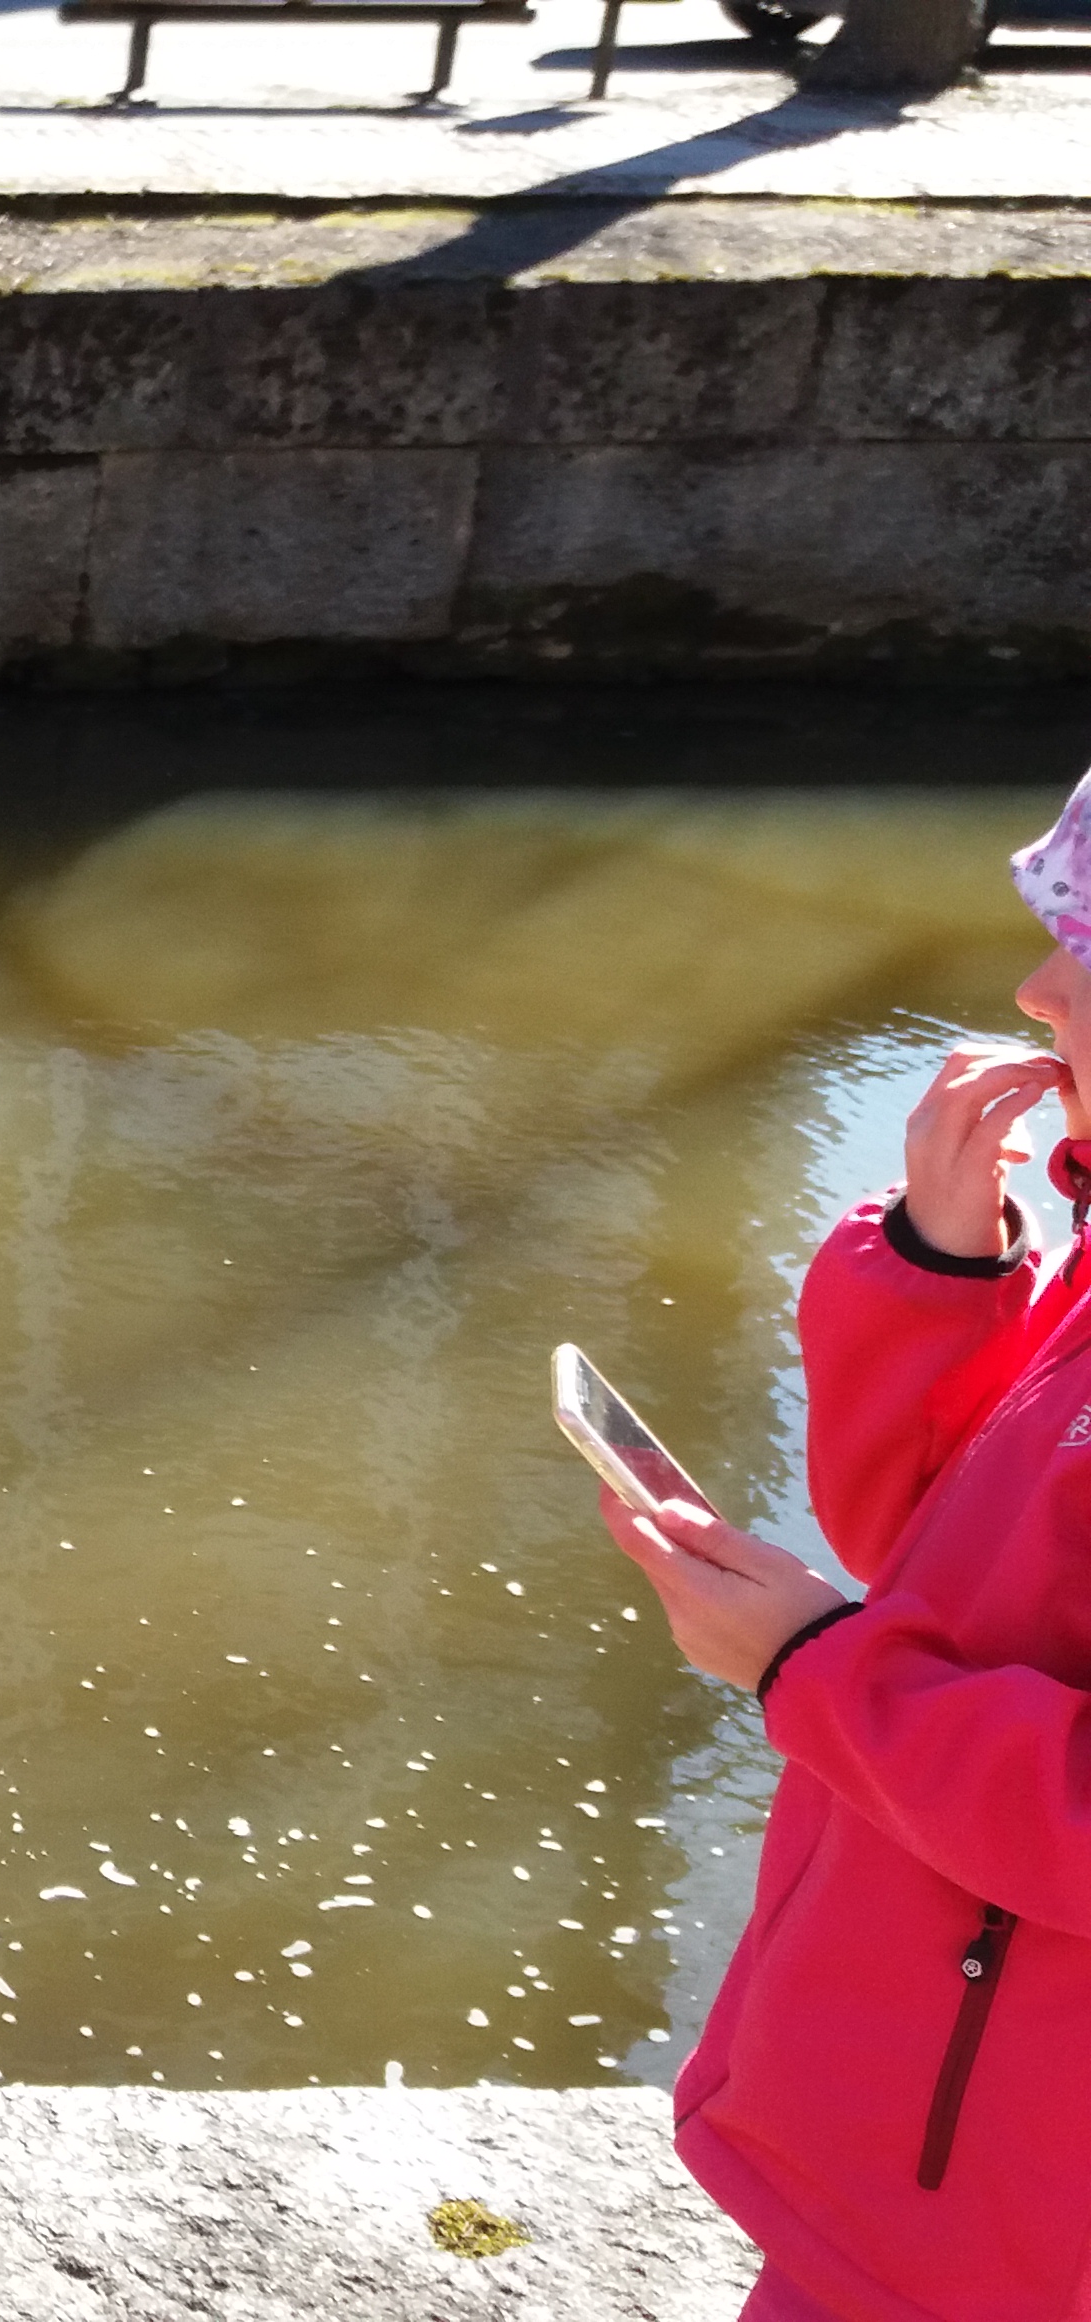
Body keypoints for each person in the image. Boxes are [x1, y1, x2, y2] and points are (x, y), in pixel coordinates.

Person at [589, 773, 1091, 2322]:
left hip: (1016, 2229)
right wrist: (940, 1265)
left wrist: (817, 1667)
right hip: (941, 2162)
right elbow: (929, 1552)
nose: (1039, 985)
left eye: (1089, 943)